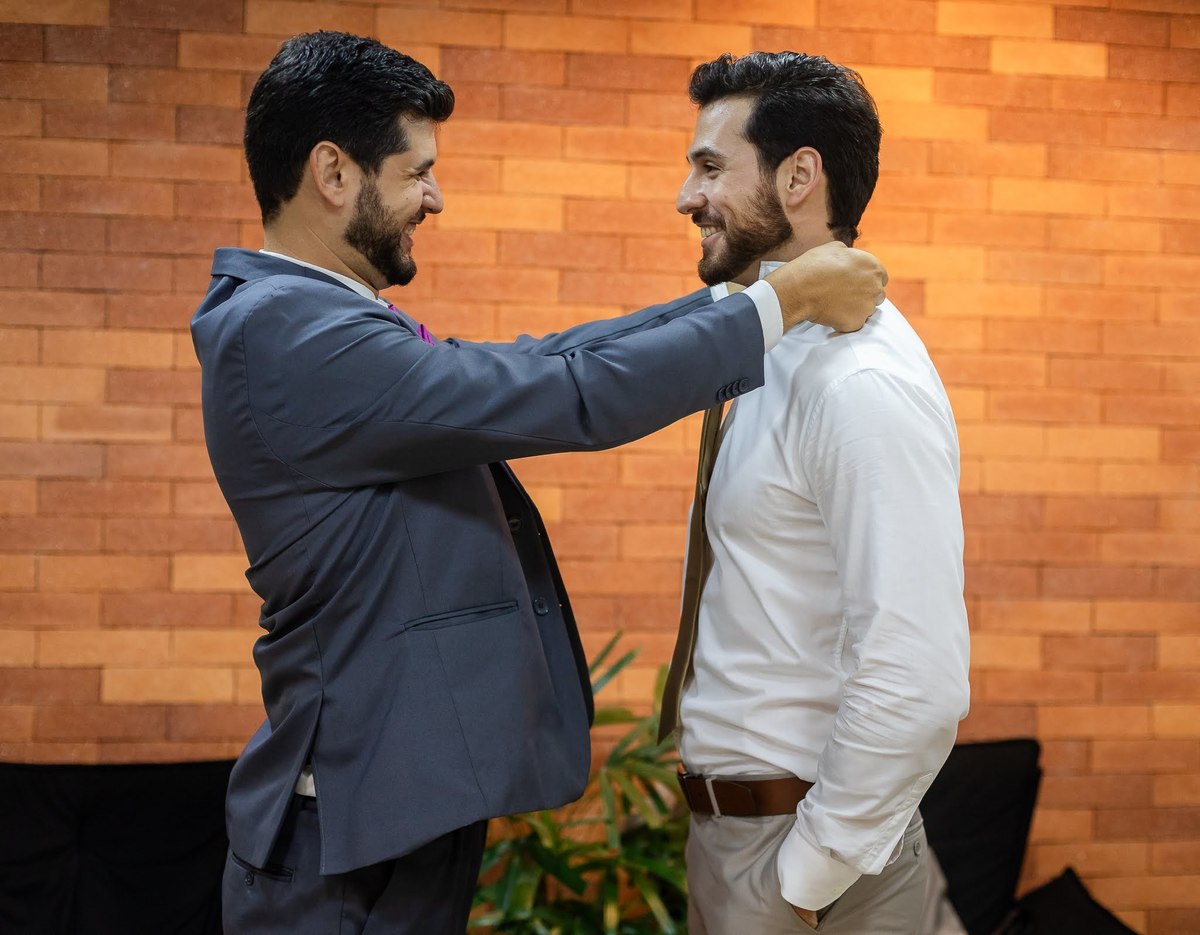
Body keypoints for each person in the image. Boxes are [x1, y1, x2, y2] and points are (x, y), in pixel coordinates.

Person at [190, 32, 887, 935]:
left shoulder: (322, 317)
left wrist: (734, 301)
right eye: (416, 172)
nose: (433, 198)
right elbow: (559, 394)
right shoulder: (286, 330)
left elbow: (541, 359)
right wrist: (783, 304)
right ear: (332, 172)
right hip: (341, 847)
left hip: (386, 815)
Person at [658, 51, 971, 935]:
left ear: (799, 177)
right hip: (744, 842)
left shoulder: (858, 380)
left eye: (711, 166)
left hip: (802, 859)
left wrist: (807, 875)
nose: (686, 196)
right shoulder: (771, 350)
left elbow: (918, 677)